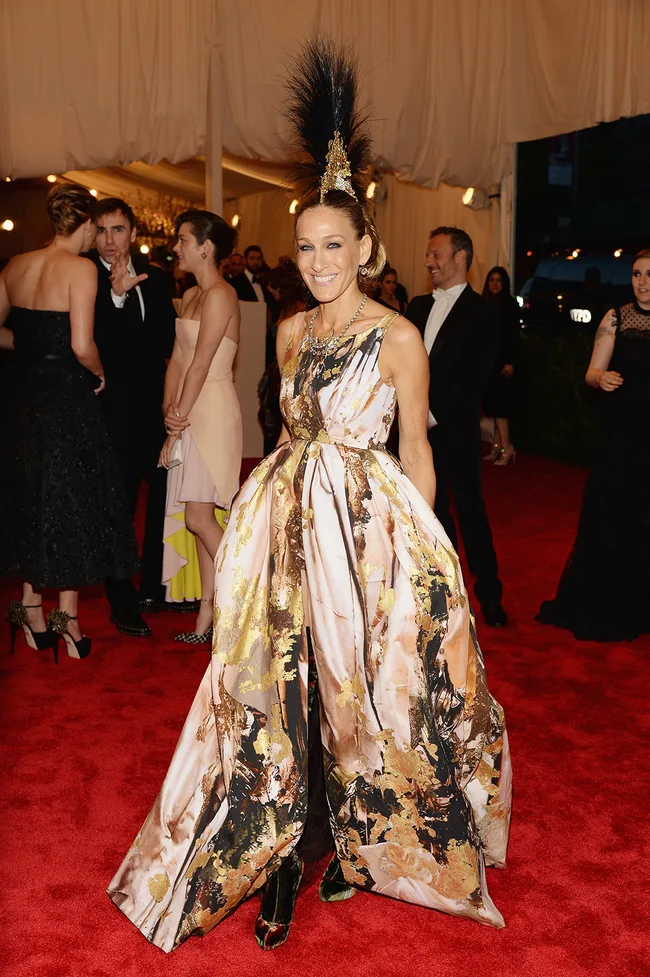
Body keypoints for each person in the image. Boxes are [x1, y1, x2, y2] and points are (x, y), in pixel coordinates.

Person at [108, 39, 511, 954]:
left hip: (366, 535)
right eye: (307, 247)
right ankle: (284, 848)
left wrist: (425, 559)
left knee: (359, 690)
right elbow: (293, 434)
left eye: (337, 246)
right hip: (289, 526)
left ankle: (355, 840)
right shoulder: (288, 331)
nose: (321, 260)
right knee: (278, 689)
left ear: (367, 247)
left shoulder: (400, 337)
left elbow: (418, 451)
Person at [0, 183, 139, 661]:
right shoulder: (80, 269)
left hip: (21, 398)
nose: (96, 238)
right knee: (71, 506)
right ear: (81, 225)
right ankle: (68, 623)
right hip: (65, 399)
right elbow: (82, 344)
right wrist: (99, 373)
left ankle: (30, 611)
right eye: (95, 229)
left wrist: (31, 347)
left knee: (32, 500)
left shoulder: (16, 264)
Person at [537, 250, 650, 642]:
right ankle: (607, 600)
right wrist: (599, 378)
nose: (642, 281)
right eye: (637, 274)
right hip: (619, 434)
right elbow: (591, 372)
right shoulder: (615, 318)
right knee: (612, 512)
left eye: (649, 274)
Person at [89, 197, 188, 638]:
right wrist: (115, 295)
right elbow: (100, 342)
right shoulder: (85, 276)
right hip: (112, 411)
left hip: (155, 408)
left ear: (132, 231)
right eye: (102, 231)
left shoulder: (157, 276)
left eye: (118, 230)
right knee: (121, 504)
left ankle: (152, 586)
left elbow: (165, 341)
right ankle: (120, 596)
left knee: (165, 496)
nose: (110, 241)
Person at [405, 228, 507, 628]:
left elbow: (476, 377)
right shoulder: (415, 306)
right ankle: (442, 591)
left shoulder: (483, 312)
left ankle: (490, 596)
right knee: (427, 513)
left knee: (470, 511)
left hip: (456, 430)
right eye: (428, 254)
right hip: (412, 434)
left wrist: (432, 414)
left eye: (436, 253)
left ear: (461, 257)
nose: (429, 261)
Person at [159, 210, 243, 643]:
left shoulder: (222, 295)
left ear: (205, 248)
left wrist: (177, 423)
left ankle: (250, 589)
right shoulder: (191, 295)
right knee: (200, 517)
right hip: (189, 409)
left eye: (183, 240)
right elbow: (177, 359)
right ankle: (208, 618)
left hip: (211, 411)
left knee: (198, 516)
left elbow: (202, 363)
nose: (176, 247)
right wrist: (167, 410)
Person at [258, 259, 306, 454]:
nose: (272, 293)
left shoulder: (299, 312)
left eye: (275, 289)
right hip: (277, 371)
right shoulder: (287, 309)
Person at [481, 266, 520, 466]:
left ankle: (507, 447)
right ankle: (497, 446)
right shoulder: (485, 304)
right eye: (492, 280)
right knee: (493, 408)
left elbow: (514, 337)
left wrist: (510, 361)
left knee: (500, 409)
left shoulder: (510, 306)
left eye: (499, 280)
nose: (495, 284)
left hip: (503, 364)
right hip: (489, 363)